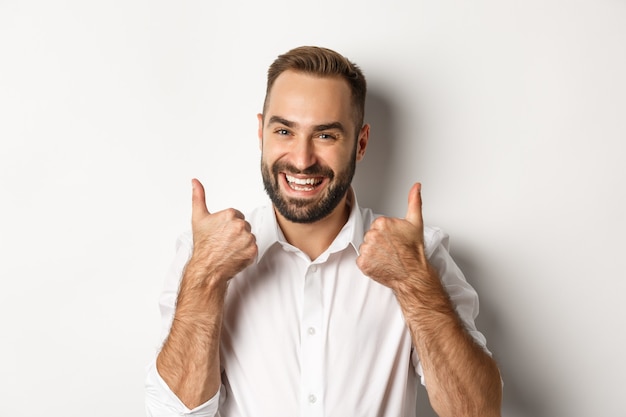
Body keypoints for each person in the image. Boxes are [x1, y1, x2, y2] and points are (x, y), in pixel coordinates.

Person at [145, 45, 502, 417]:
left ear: (360, 143)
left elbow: (478, 412)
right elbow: (171, 414)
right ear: (261, 133)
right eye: (284, 130)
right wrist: (206, 278)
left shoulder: (418, 256)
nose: (301, 160)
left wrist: (415, 285)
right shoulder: (201, 254)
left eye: (326, 136)